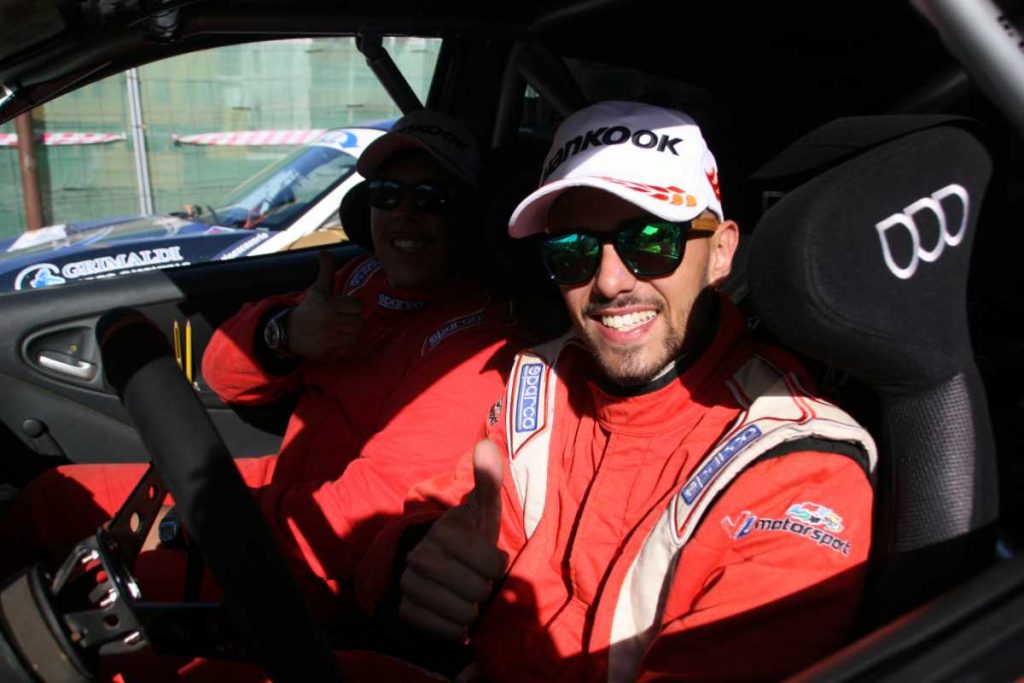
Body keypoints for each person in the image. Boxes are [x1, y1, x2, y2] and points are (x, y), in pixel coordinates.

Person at [356, 101, 878, 681]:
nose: (608, 282)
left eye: (651, 240)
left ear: (721, 253)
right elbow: (439, 524)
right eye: (572, 250)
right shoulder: (540, 383)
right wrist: (416, 560)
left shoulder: (796, 466)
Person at [0, 109, 532, 619]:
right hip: (275, 493)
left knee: (94, 595)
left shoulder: (481, 348)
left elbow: (352, 523)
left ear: (470, 218)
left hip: (311, 572)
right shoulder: (357, 280)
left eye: (431, 198)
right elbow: (221, 374)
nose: (404, 214)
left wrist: (190, 523)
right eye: (387, 195)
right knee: (53, 498)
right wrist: (286, 335)